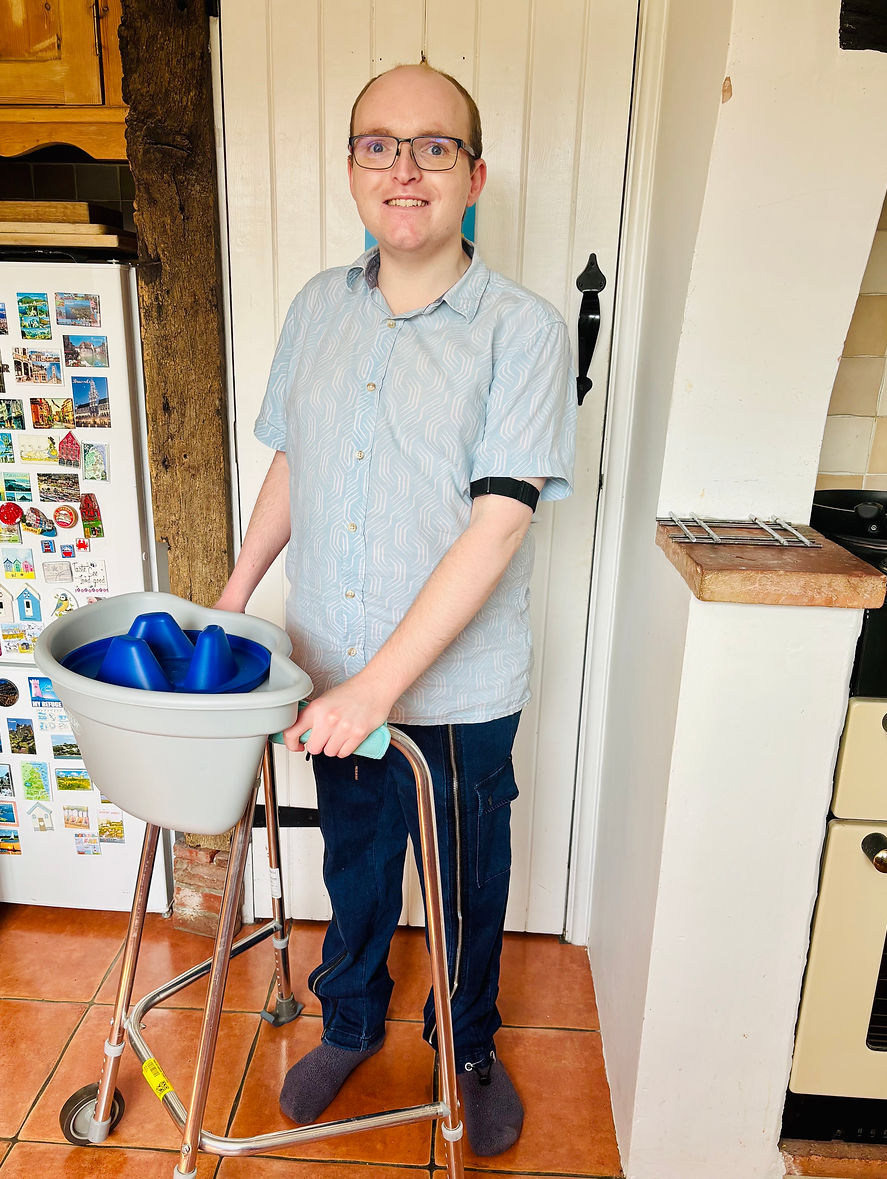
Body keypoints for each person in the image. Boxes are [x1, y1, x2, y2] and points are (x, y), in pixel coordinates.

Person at [216, 61, 576, 1157]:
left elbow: (499, 521)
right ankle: (351, 1024)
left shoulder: (522, 329)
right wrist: (235, 601)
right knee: (358, 863)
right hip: (328, 667)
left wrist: (383, 683)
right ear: (351, 169)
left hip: (458, 691)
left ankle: (466, 1048)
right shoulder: (317, 307)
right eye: (379, 144)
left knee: (465, 881)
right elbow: (296, 464)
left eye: (432, 148)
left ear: (473, 176)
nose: (404, 168)